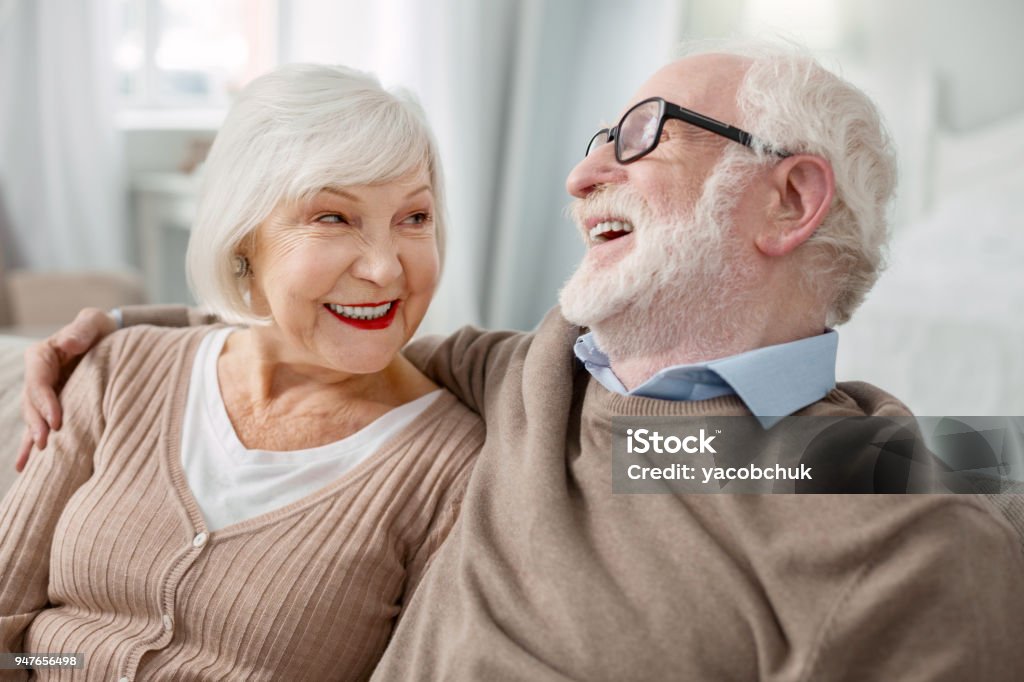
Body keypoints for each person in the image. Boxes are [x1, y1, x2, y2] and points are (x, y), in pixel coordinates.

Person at [16, 40, 1024, 680]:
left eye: (640, 138)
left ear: (788, 202)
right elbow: (317, 336)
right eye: (596, 141)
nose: (583, 176)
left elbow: (809, 469)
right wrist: (121, 335)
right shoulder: (538, 378)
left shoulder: (897, 522)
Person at [0, 64, 484, 680]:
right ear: (242, 240)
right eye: (334, 218)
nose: (387, 270)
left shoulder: (453, 469)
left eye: (414, 219)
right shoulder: (118, 369)